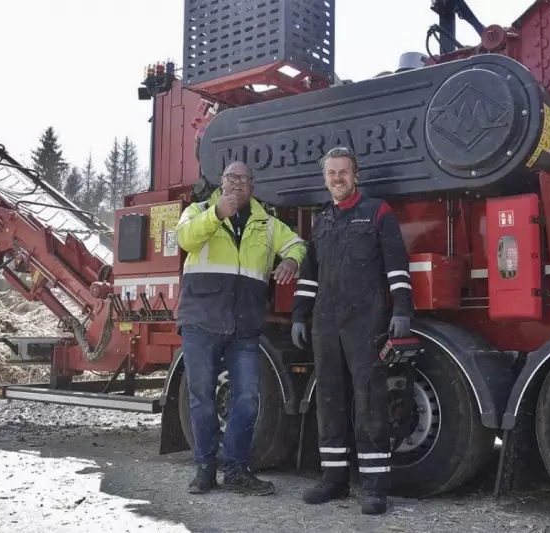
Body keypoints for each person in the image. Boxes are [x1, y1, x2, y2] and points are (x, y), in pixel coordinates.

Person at [291, 146, 414, 515]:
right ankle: (334, 480)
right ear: (325, 178)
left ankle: (375, 488)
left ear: (356, 175)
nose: (337, 178)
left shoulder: (377, 212)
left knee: (369, 399)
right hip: (326, 321)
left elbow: (396, 264)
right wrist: (300, 314)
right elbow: (309, 276)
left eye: (343, 172)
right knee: (329, 399)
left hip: (367, 319)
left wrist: (402, 309)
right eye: (331, 173)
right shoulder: (322, 220)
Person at [176, 161, 307, 495]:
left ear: (252, 186)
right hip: (201, 321)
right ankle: (205, 469)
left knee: (247, 399)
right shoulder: (198, 210)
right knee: (202, 397)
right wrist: (216, 213)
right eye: (230, 178)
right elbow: (185, 239)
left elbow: (298, 244)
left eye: (243, 179)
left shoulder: (267, 224)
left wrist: (291, 261)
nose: (237, 184)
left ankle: (236, 470)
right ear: (221, 183)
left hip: (245, 325)